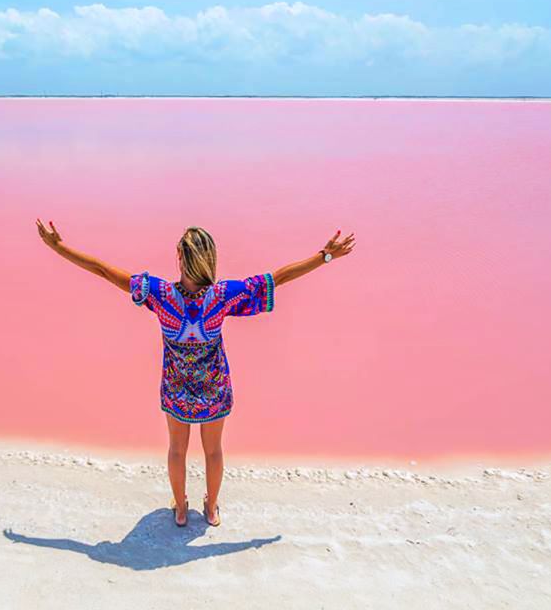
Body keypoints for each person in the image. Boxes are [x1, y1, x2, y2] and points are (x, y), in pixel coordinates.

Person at [34, 221, 354, 527]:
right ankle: (211, 508)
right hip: (214, 387)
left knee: (177, 449)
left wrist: (59, 248)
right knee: (213, 450)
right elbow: (277, 278)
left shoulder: (158, 293)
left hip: (176, 388)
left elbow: (103, 270)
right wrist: (324, 256)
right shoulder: (223, 295)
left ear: (180, 257)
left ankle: (181, 511)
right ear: (210, 258)